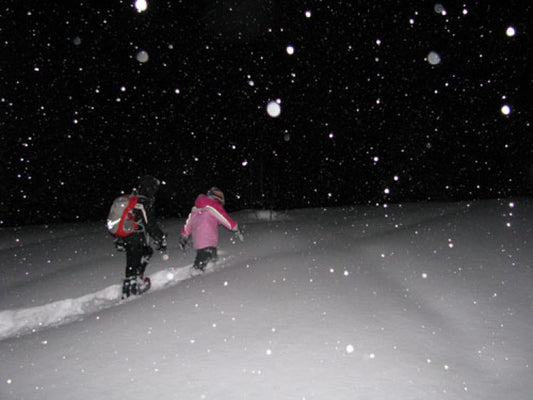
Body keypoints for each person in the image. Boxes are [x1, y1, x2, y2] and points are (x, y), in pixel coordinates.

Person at [115, 175, 167, 298]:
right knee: (134, 261)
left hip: (126, 235)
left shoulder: (133, 198)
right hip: (135, 236)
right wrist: (160, 238)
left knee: (143, 254)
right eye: (154, 188)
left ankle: (135, 281)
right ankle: (130, 291)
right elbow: (150, 224)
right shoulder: (143, 201)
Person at [179, 187, 243, 271]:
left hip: (199, 241)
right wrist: (235, 227)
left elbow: (188, 224)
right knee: (204, 260)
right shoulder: (213, 206)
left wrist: (184, 236)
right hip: (208, 240)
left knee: (208, 258)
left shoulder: (196, 209)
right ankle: (196, 274)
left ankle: (207, 271)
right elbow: (225, 218)